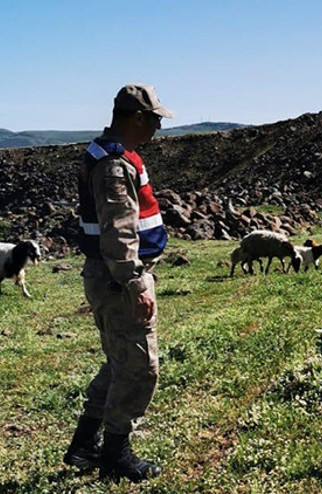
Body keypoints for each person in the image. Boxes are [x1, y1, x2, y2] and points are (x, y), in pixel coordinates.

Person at [64, 84, 172, 483]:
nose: (159, 127)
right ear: (136, 117)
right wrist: (135, 282)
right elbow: (119, 232)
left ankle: (84, 445)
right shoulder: (113, 164)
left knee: (119, 361)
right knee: (140, 367)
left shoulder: (110, 154)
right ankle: (115, 454)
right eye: (155, 118)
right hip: (119, 279)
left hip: (110, 277)